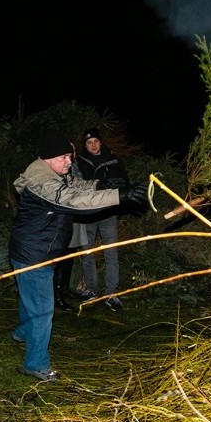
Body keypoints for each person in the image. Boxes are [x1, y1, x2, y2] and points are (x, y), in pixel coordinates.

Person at [9, 130, 147, 382]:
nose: (70, 162)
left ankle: (21, 332)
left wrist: (99, 184)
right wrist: (118, 196)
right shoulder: (42, 182)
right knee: (42, 310)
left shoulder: (51, 171)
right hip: (34, 254)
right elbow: (72, 199)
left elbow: (75, 185)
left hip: (32, 250)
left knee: (29, 297)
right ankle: (35, 364)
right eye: (65, 157)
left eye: (70, 157)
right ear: (50, 157)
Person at [74, 128, 131, 311]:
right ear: (85, 145)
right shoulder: (78, 162)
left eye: (96, 141)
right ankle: (91, 290)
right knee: (87, 253)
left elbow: (125, 183)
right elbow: (76, 188)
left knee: (111, 253)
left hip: (108, 213)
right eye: (89, 143)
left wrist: (121, 187)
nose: (93, 145)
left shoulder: (113, 159)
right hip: (87, 214)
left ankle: (111, 293)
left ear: (101, 142)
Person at [53, 141, 87, 312]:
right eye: (68, 151)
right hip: (65, 215)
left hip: (76, 214)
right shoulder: (58, 168)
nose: (71, 154)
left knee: (71, 253)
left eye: (73, 150)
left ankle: (64, 289)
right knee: (62, 254)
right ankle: (57, 297)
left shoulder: (75, 165)